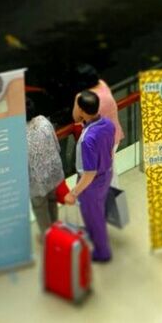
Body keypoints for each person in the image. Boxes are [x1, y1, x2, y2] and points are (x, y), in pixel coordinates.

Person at [65, 90, 115, 262]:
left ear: (81, 111)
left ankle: (102, 253)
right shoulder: (108, 124)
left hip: (91, 184)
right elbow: (110, 151)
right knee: (97, 211)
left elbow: (89, 173)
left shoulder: (87, 139)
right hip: (106, 174)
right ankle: (96, 237)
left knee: (94, 218)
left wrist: (73, 193)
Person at [26, 94, 67, 235]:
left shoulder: (18, 134)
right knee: (52, 201)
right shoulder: (43, 120)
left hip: (36, 182)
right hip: (52, 172)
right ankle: (56, 229)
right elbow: (57, 145)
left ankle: (49, 237)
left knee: (40, 208)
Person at [73, 63, 123, 149]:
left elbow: (76, 118)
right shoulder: (102, 83)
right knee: (110, 160)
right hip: (114, 135)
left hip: (97, 141)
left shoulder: (82, 97)